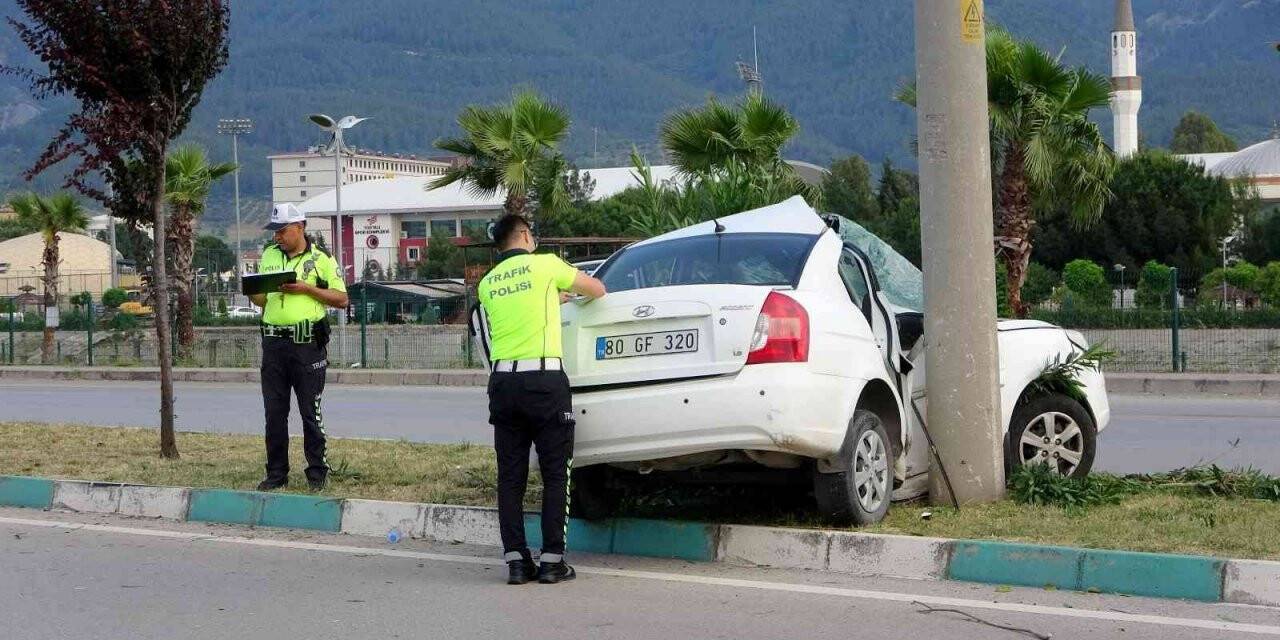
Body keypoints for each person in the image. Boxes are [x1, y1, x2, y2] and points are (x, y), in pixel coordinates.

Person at [477, 214, 606, 585]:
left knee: (510, 477)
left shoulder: (488, 283)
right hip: (544, 382)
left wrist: (552, 298)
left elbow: (519, 309)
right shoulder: (547, 265)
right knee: (555, 472)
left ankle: (517, 562)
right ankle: (552, 561)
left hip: (503, 383)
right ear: (524, 234)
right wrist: (565, 294)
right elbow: (596, 289)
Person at [250, 203, 349, 492]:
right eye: (275, 231)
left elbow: (342, 299)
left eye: (282, 231)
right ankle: (276, 474)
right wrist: (255, 290)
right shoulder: (269, 255)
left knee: (309, 411)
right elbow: (262, 300)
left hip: (307, 345)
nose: (277, 236)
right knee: (274, 412)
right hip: (273, 344)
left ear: (300, 227)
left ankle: (317, 473)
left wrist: (307, 289)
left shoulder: (321, 259)